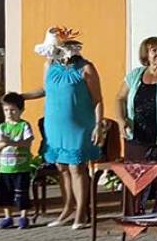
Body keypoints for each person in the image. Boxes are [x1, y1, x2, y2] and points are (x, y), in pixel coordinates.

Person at [24, 27, 103, 230]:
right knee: (62, 168)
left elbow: (97, 100)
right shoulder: (49, 65)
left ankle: (81, 212)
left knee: (77, 167)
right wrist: (22, 96)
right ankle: (67, 208)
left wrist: (98, 125)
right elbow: (45, 89)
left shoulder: (86, 68)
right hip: (54, 124)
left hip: (79, 125)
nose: (53, 54)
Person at [0, 92, 35, 229]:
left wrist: (12, 142)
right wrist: (3, 143)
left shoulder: (24, 126)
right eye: (6, 110)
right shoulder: (2, 127)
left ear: (21, 110)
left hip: (21, 167)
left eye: (12, 110)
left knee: (21, 193)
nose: (9, 113)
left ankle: (23, 216)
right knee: (5, 194)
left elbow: (28, 142)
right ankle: (8, 217)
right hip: (6, 168)